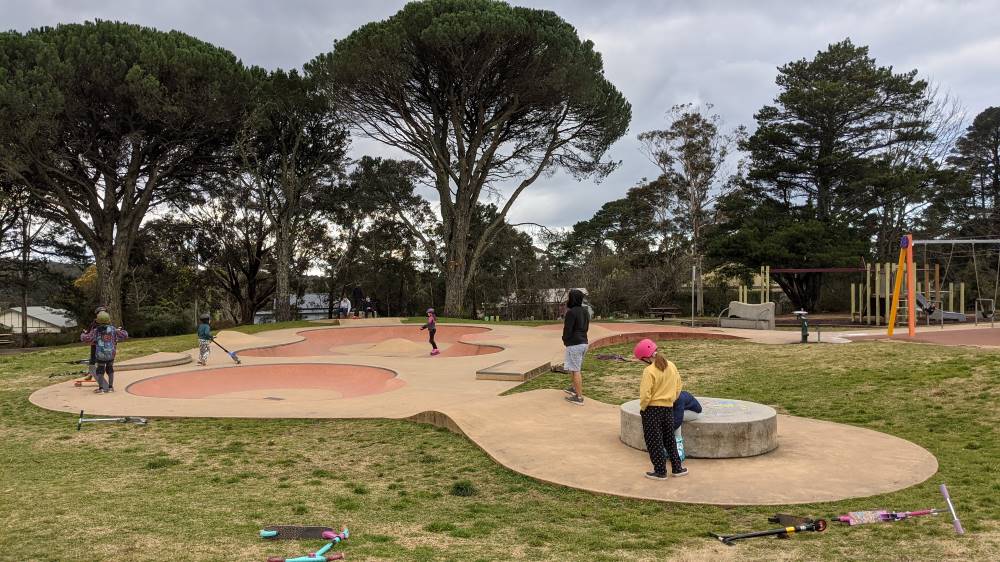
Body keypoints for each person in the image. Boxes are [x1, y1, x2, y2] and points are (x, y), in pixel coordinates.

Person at [633, 338, 688, 479]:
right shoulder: (671, 365)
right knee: (669, 439)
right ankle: (677, 468)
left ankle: (660, 471)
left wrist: (643, 408)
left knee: (654, 441)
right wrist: (671, 400)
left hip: (652, 410)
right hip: (668, 408)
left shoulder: (649, 371)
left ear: (645, 357)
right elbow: (678, 387)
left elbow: (645, 394)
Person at [80, 310, 128, 394]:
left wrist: (82, 334)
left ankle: (101, 389)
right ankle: (110, 388)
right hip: (111, 354)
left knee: (100, 370)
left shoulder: (96, 331)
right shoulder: (113, 329)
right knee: (110, 369)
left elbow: (86, 338)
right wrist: (120, 330)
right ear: (108, 320)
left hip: (100, 354)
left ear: (98, 321)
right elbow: (124, 335)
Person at [561, 289, 590, 405]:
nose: (567, 299)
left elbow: (567, 330)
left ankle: (579, 397)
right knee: (574, 367)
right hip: (584, 342)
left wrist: (565, 340)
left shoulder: (571, 312)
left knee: (576, 370)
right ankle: (574, 388)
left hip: (574, 344)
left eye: (569, 297)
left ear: (572, 299)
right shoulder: (585, 311)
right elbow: (586, 328)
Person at [85, 305, 108, 381]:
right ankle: (92, 373)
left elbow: (88, 333)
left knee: (93, 359)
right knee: (98, 360)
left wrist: (85, 333)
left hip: (96, 344)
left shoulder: (94, 323)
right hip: (103, 345)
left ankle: (92, 373)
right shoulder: (108, 323)